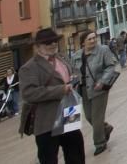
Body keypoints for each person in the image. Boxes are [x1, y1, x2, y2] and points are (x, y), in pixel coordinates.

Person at [19, 28, 85, 164]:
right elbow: (29, 93)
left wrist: (75, 79)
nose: (53, 44)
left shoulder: (61, 58)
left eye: (55, 41)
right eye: (48, 43)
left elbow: (75, 71)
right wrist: (60, 90)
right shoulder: (29, 67)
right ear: (37, 47)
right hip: (47, 120)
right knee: (48, 157)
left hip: (68, 112)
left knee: (76, 152)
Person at [72, 31, 117, 156]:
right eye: (89, 39)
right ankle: (106, 128)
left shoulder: (103, 50)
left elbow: (110, 67)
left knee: (97, 118)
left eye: (94, 38)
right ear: (83, 42)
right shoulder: (76, 55)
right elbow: (74, 72)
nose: (93, 40)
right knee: (89, 116)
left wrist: (102, 81)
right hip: (84, 90)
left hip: (99, 89)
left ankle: (100, 143)